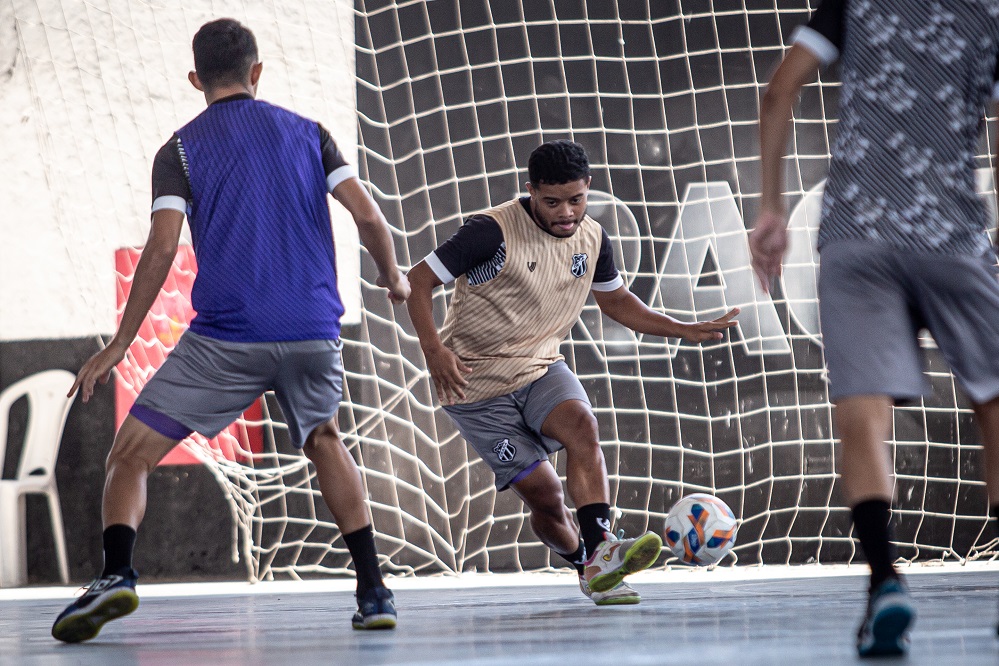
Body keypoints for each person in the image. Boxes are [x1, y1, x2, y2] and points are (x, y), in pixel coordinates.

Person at [51, 19, 410, 642]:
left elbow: (162, 250)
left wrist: (118, 345)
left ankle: (117, 576)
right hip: (310, 331)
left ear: (196, 80)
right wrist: (394, 279)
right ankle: (374, 588)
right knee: (326, 440)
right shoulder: (310, 134)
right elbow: (368, 215)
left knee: (129, 456)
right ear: (257, 72)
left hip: (225, 339)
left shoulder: (180, 150)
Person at [751, 0, 999, 657]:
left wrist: (772, 207)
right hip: (949, 233)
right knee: (993, 401)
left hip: (854, 234)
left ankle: (884, 579)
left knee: (862, 410)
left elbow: (779, 90)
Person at [406, 139, 738, 605]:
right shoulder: (490, 231)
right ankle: (586, 561)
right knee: (545, 497)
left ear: (588, 190)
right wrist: (434, 350)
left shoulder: (593, 237)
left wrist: (681, 328)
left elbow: (617, 301)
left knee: (583, 427)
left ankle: (604, 550)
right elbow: (418, 281)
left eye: (576, 199)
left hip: (541, 365)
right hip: (474, 385)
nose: (566, 211)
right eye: (552, 201)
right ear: (531, 191)